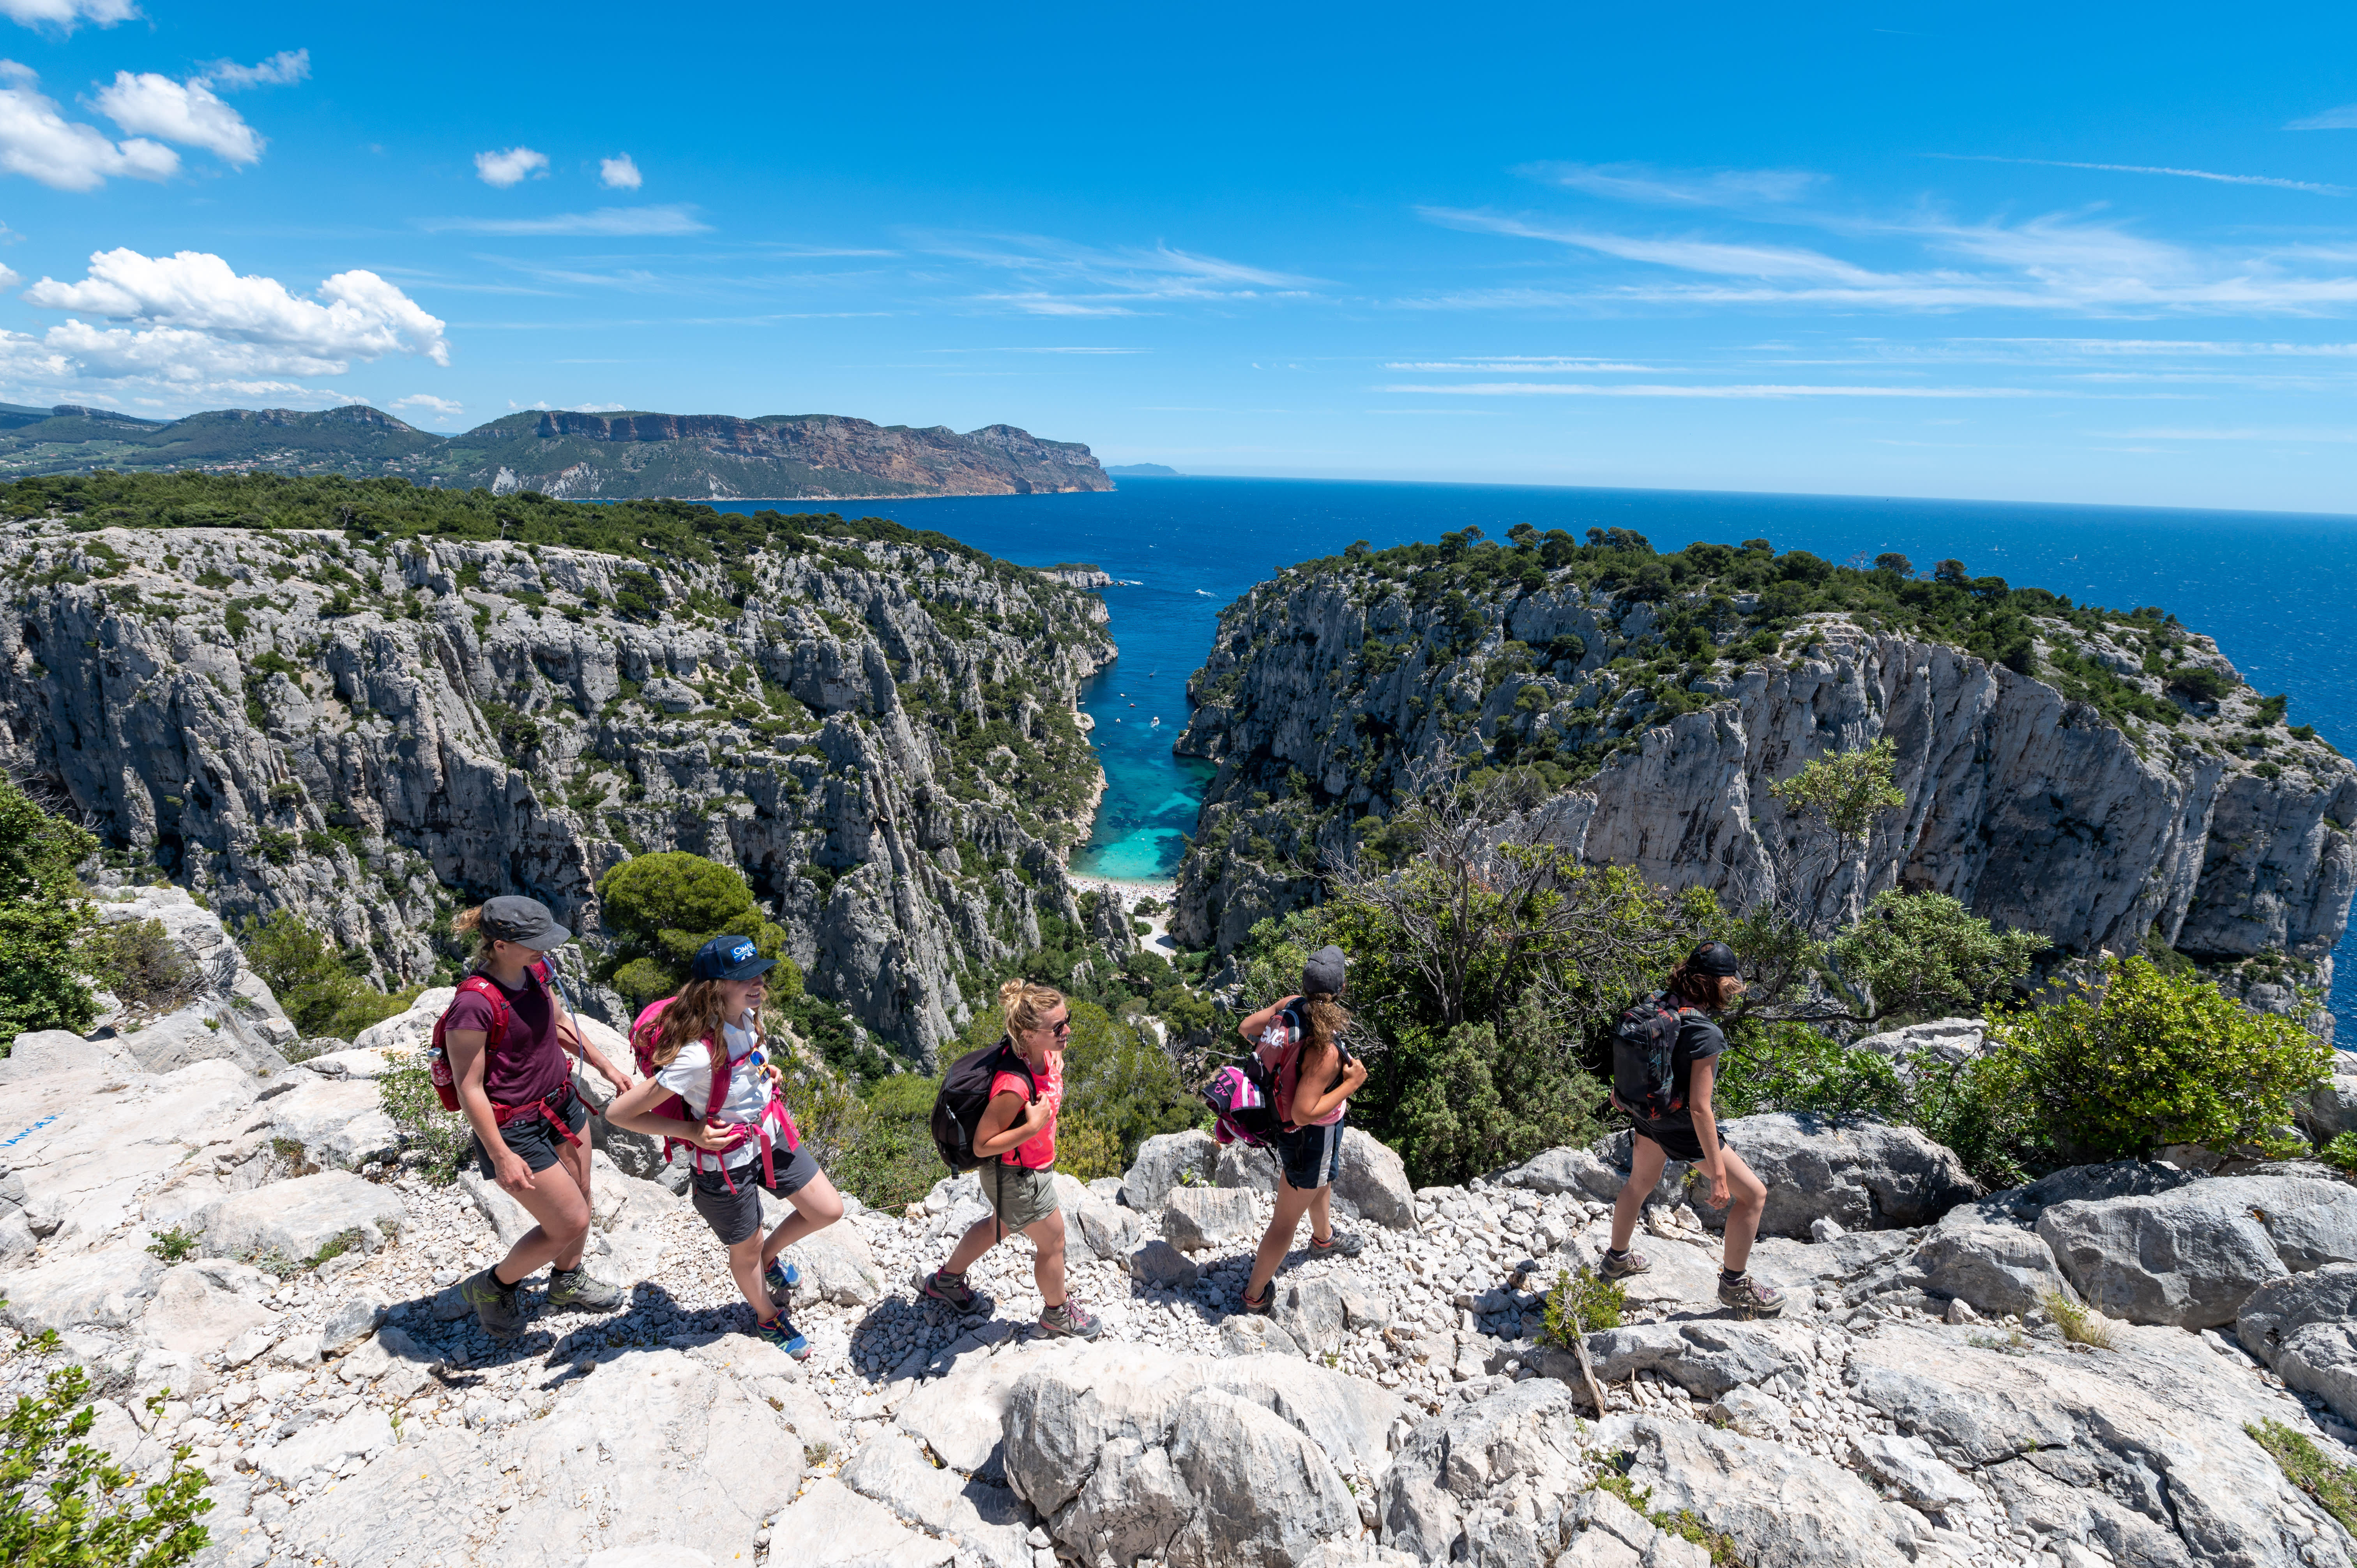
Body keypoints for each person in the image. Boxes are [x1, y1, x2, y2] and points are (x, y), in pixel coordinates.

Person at [603, 936, 845, 1358]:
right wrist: (690, 1132)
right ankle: (767, 1316)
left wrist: (765, 1072)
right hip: (725, 1161)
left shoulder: (748, 1017)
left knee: (828, 1208)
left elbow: (743, 1067)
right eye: (743, 978)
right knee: (744, 1248)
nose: (758, 983)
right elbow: (619, 1113)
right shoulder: (696, 1055)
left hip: (769, 1134)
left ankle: (769, 1256)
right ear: (715, 987)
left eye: (758, 973)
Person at [439, 896, 635, 1338]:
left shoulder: (536, 971)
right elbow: (470, 1087)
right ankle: (494, 1286)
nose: (544, 951)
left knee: (582, 1194)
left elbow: (560, 1023)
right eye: (534, 943)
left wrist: (606, 1067)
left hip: (562, 1103)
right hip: (514, 1128)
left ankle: (567, 1282)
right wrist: (501, 1155)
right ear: (501, 944)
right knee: (569, 1220)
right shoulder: (474, 1004)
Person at [1600, 939, 1783, 1317]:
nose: (1732, 992)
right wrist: (1717, 1174)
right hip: (1681, 1125)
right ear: (1719, 985)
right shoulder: (1705, 1032)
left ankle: (1616, 1259)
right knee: (1753, 1195)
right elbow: (1701, 1109)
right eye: (1731, 984)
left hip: (1647, 1113)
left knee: (1639, 1183)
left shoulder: (1655, 1003)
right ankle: (1735, 1285)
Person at [916, 979, 1102, 1340]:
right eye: (1058, 1028)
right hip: (1018, 1176)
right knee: (1053, 1242)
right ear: (1029, 1034)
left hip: (1024, 1170)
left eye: (1067, 1021)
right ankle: (1057, 1315)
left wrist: (1056, 1053)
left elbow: (1053, 1067)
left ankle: (945, 1282)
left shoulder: (1041, 1053)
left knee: (997, 1227)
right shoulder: (1013, 1086)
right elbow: (984, 1145)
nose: (1067, 1031)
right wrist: (1033, 1126)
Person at [1238, 944, 1369, 1314]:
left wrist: (1281, 1060)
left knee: (1322, 1181)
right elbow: (1302, 1112)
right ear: (1342, 989)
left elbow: (1247, 1028)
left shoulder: (1291, 1006)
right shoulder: (1324, 1047)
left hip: (1293, 1133)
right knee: (1284, 1223)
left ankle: (1323, 1240)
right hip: (1308, 1137)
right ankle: (1254, 1296)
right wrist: (1350, 1084)